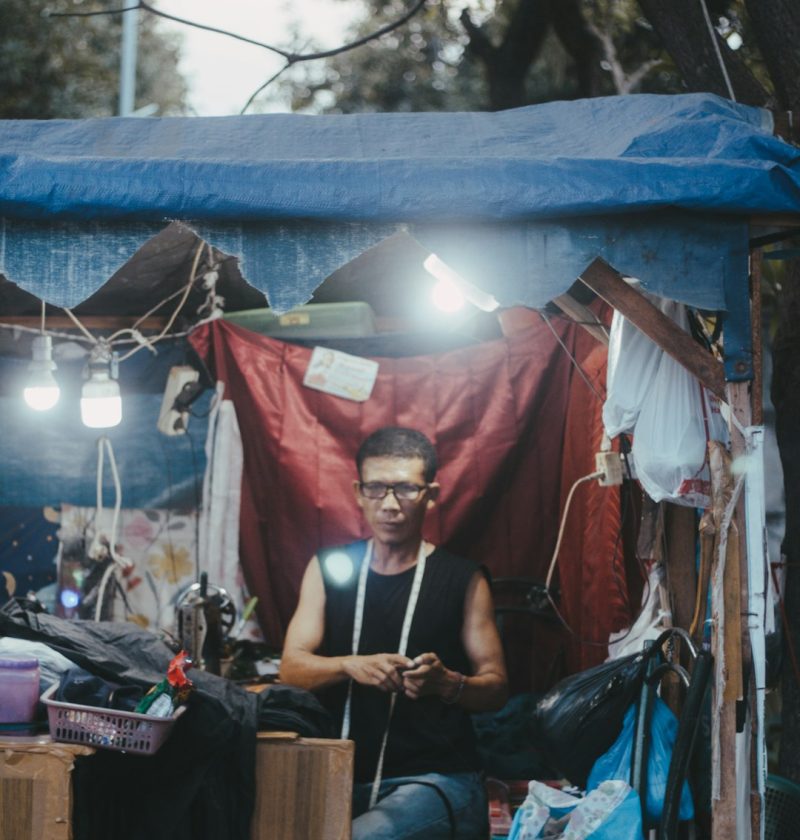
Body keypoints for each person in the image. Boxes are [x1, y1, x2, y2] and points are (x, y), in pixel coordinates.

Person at [280, 426, 509, 840]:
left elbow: (496, 688)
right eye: (376, 488)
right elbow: (291, 669)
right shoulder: (328, 568)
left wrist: (447, 683)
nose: (389, 504)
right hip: (340, 774)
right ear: (358, 491)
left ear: (431, 494)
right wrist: (349, 665)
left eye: (405, 489)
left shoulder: (462, 579)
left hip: (435, 779)